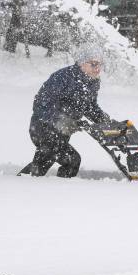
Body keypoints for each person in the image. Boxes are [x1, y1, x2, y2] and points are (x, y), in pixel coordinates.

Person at [25, 45, 112, 178]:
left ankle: (30, 186)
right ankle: (53, 191)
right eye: (94, 64)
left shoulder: (92, 82)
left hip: (62, 133)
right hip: (43, 129)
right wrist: (60, 121)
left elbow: (89, 106)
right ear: (82, 63)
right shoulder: (63, 77)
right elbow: (41, 104)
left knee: (44, 163)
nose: (98, 68)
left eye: (100, 64)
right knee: (71, 160)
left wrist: (103, 120)